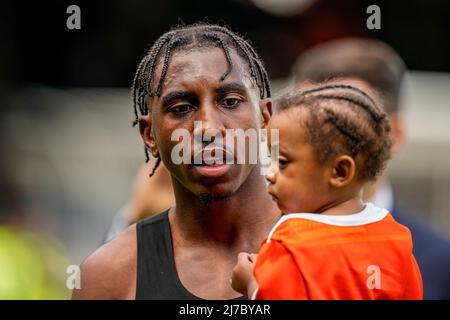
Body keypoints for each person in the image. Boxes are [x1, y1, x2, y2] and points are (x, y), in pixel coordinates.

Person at [72, 23, 280, 300]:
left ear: (265, 118)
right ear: (150, 137)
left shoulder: (329, 245)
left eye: (230, 101)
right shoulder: (109, 276)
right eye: (182, 108)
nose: (208, 128)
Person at [231, 82, 423, 299]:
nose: (269, 173)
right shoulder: (396, 241)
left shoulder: (292, 242)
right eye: (269, 159)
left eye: (282, 162)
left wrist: (251, 284)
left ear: (340, 172)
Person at [292, 38, 450, 299]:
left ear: (394, 135)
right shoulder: (256, 246)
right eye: (307, 123)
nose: (323, 141)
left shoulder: (440, 264)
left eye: (345, 123)